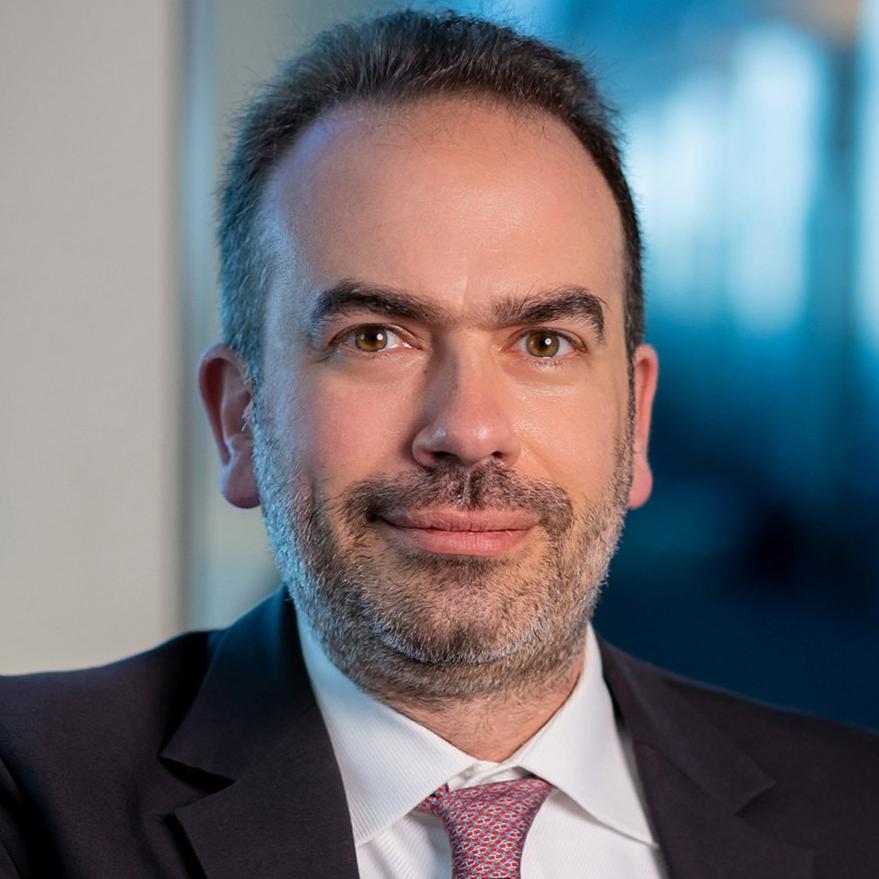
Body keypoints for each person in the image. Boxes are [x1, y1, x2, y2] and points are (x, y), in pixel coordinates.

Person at [1, 9, 877, 878]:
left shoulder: (857, 811)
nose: (468, 431)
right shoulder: (31, 795)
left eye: (543, 343)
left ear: (636, 419)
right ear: (238, 418)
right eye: (376, 336)